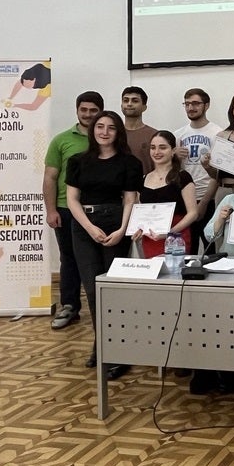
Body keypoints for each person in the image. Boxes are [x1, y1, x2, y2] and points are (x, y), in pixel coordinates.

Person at [65, 111, 142, 379]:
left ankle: (119, 351)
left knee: (112, 290)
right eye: (100, 127)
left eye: (110, 127)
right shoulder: (77, 161)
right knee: (93, 289)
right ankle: (102, 344)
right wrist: (89, 226)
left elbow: (130, 199)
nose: (104, 132)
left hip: (115, 223)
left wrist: (122, 230)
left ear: (118, 132)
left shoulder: (129, 162)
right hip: (84, 226)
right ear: (92, 130)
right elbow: (72, 199)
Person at [43, 90, 104, 330]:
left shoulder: (106, 136)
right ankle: (69, 306)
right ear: (77, 110)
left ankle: (103, 308)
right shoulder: (61, 140)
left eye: (93, 110)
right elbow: (50, 177)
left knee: (98, 260)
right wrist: (51, 210)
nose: (88, 115)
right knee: (69, 258)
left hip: (100, 209)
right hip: (65, 208)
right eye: (84, 110)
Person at [132, 131, 198, 258]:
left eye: (162, 147)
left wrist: (169, 232)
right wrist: (138, 229)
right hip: (150, 238)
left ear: (173, 151)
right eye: (153, 148)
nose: (156, 152)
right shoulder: (143, 179)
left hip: (176, 237)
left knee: (173, 275)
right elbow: (140, 212)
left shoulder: (182, 177)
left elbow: (193, 213)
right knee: (151, 274)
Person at [175, 88, 222, 254]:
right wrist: (174, 156)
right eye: (187, 104)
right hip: (184, 199)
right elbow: (173, 172)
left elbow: (218, 175)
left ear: (206, 105)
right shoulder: (178, 134)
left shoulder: (217, 133)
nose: (190, 108)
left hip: (205, 197)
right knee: (187, 248)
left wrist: (203, 203)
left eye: (195, 103)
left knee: (210, 247)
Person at [120, 86, 157, 175]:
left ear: (144, 107)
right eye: (126, 100)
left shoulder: (154, 135)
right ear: (121, 106)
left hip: (146, 185)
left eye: (135, 101)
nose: (129, 104)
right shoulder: (114, 134)